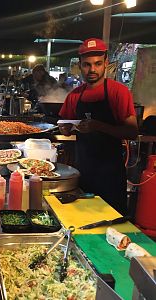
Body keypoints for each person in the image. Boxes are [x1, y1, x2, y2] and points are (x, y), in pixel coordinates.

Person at [59, 38, 138, 215]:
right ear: (80, 66)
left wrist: (99, 126)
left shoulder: (118, 92)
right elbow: (66, 125)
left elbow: (132, 132)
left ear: (106, 63)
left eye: (97, 64)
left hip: (110, 174)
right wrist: (66, 129)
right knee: (84, 220)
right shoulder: (74, 96)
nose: (92, 69)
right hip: (82, 172)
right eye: (87, 65)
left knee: (113, 223)